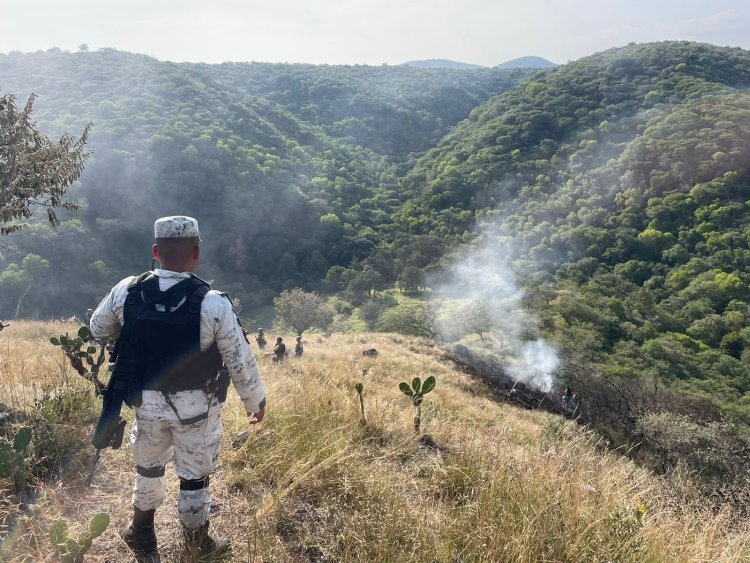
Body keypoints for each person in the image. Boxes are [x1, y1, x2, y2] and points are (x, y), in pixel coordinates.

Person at [89, 216, 266, 563]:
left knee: (149, 467)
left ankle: (141, 535)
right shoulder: (213, 303)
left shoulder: (128, 290)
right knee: (195, 474)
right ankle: (197, 542)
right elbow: (239, 359)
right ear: (196, 253)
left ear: (156, 251)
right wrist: (254, 401)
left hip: (146, 401)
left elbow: (97, 328)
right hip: (197, 408)